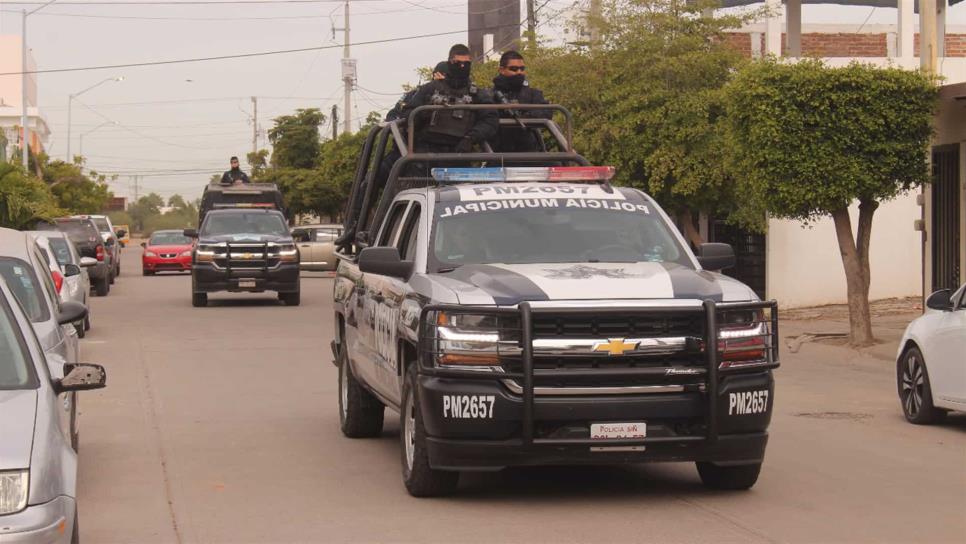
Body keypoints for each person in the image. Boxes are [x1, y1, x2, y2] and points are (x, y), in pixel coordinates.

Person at [404, 44, 498, 153]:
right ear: (450, 63)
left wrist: (471, 138)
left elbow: (490, 120)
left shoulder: (477, 94)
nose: (462, 67)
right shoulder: (430, 88)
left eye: (466, 64)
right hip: (427, 151)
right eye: (458, 63)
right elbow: (408, 116)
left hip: (460, 152)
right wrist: (425, 113)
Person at [490, 50, 551, 153]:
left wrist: (523, 113)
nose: (519, 72)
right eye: (513, 69)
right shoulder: (490, 95)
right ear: (502, 70)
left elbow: (546, 113)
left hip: (529, 154)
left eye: (522, 68)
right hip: (498, 155)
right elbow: (485, 118)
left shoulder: (533, 94)